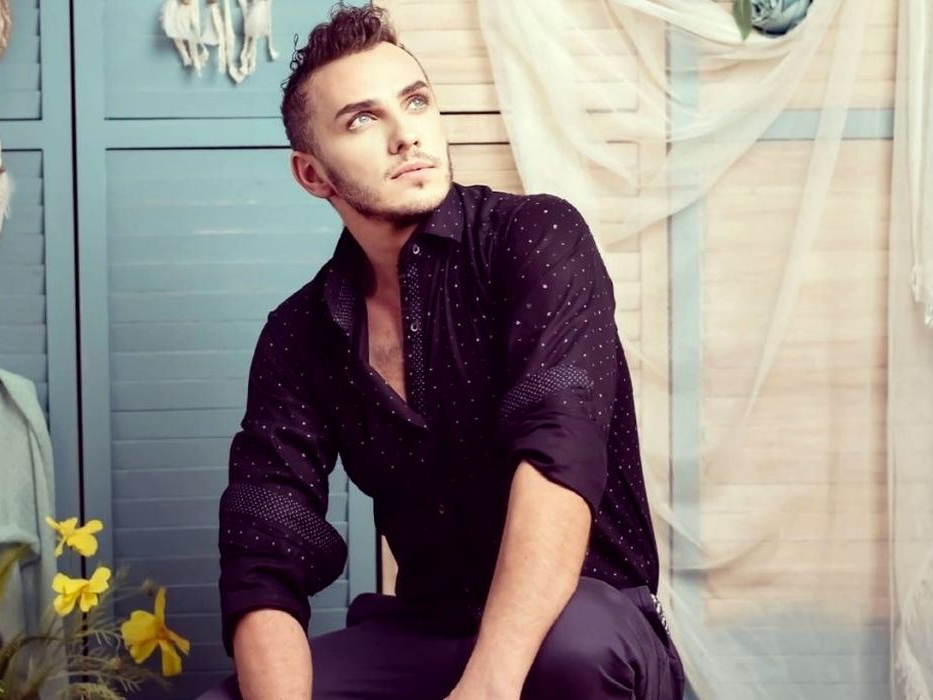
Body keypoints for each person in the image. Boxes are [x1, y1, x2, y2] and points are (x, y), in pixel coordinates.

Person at [202, 5, 683, 699]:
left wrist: (484, 689)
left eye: (416, 101)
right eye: (362, 120)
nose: (406, 135)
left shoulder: (534, 236)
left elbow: (558, 456)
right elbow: (261, 556)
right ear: (312, 174)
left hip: (583, 613)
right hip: (430, 632)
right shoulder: (297, 336)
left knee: (571, 652)